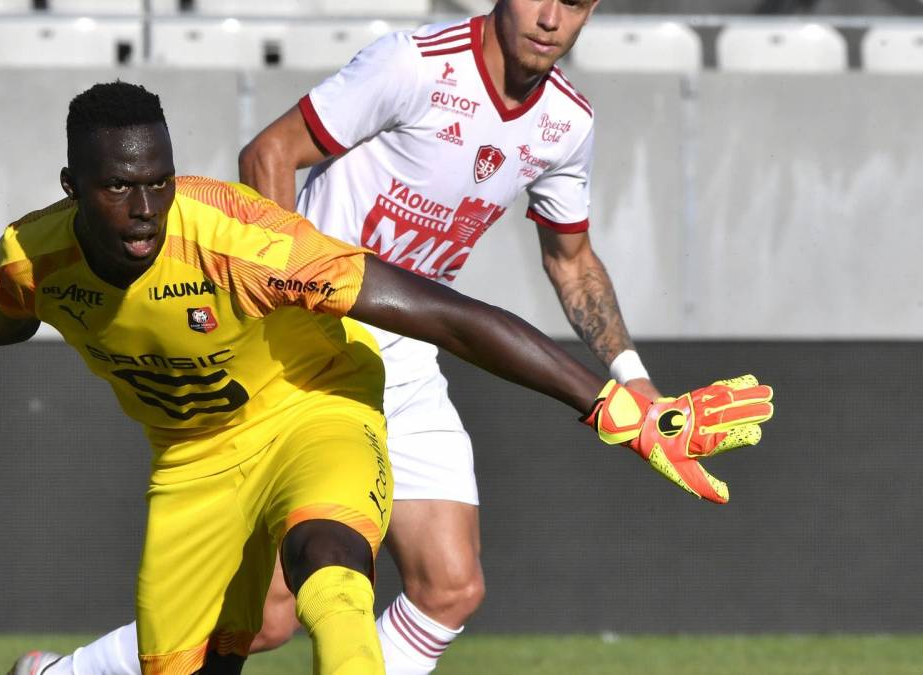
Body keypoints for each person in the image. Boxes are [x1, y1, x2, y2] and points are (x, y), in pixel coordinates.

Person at [0, 79, 775, 675]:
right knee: (205, 651)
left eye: (159, 184)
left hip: (314, 405)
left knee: (331, 561)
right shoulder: (34, 256)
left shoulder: (241, 241)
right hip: (192, 466)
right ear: (72, 187)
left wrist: (612, 406)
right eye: (118, 189)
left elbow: (444, 313)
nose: (144, 211)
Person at [56, 1, 669, 673]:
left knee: (451, 587)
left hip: (409, 351)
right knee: (265, 620)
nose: (551, 17)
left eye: (575, 2)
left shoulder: (567, 122)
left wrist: (632, 378)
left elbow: (571, 259)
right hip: (316, 348)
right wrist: (284, 292)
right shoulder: (412, 66)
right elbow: (270, 152)